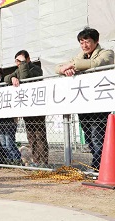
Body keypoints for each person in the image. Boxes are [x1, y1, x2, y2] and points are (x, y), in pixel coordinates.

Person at [56, 27, 114, 171]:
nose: (84, 46)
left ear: (96, 41)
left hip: (99, 102)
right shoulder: (79, 57)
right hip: (84, 103)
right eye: (81, 43)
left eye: (87, 42)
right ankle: (98, 165)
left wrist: (73, 65)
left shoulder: (107, 52)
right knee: (89, 137)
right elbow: (57, 67)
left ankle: (99, 167)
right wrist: (66, 69)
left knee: (97, 136)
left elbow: (96, 64)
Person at [4, 50, 49, 166]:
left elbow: (25, 77)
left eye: (21, 60)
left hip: (36, 106)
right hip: (26, 107)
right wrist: (12, 78)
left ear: (28, 59)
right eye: (17, 61)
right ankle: (36, 160)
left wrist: (23, 65)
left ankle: (43, 161)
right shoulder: (17, 70)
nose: (18, 63)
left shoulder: (36, 69)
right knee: (31, 136)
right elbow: (6, 78)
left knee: (40, 135)